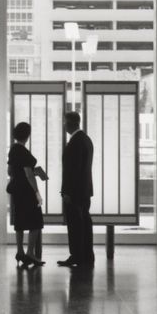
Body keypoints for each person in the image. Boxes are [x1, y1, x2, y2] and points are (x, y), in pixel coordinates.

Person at [6, 121, 47, 269]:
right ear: (27, 136)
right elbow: (29, 175)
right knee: (36, 222)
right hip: (27, 191)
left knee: (20, 222)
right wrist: (37, 193)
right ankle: (30, 252)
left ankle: (20, 251)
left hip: (17, 191)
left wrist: (23, 173)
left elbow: (10, 172)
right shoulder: (23, 151)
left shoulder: (13, 150)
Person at [58, 107, 94, 270]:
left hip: (75, 192)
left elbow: (72, 170)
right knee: (85, 222)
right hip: (85, 190)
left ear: (70, 124)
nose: (64, 125)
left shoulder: (75, 142)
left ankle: (77, 255)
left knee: (75, 225)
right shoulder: (86, 139)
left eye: (65, 122)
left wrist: (67, 192)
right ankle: (87, 254)